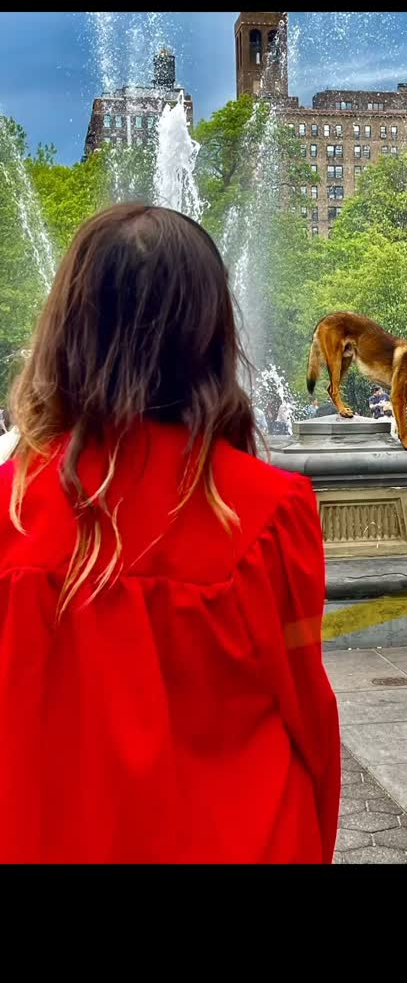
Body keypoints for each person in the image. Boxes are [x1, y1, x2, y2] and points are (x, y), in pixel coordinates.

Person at [0, 204, 340, 865]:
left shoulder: (10, 513)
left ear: (68, 327)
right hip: (238, 839)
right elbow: (308, 717)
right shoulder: (267, 513)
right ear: (210, 334)